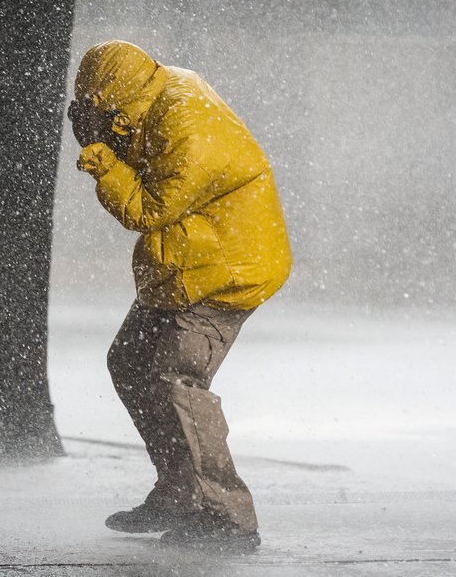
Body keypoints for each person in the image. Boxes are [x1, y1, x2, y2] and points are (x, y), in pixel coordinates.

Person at [68, 40, 292, 550]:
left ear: (118, 103)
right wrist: (112, 135)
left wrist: (103, 157)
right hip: (187, 259)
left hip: (228, 268)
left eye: (101, 113)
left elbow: (147, 211)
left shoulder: (185, 127)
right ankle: (180, 491)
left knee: (178, 381)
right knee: (129, 361)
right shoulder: (153, 99)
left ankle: (229, 516)